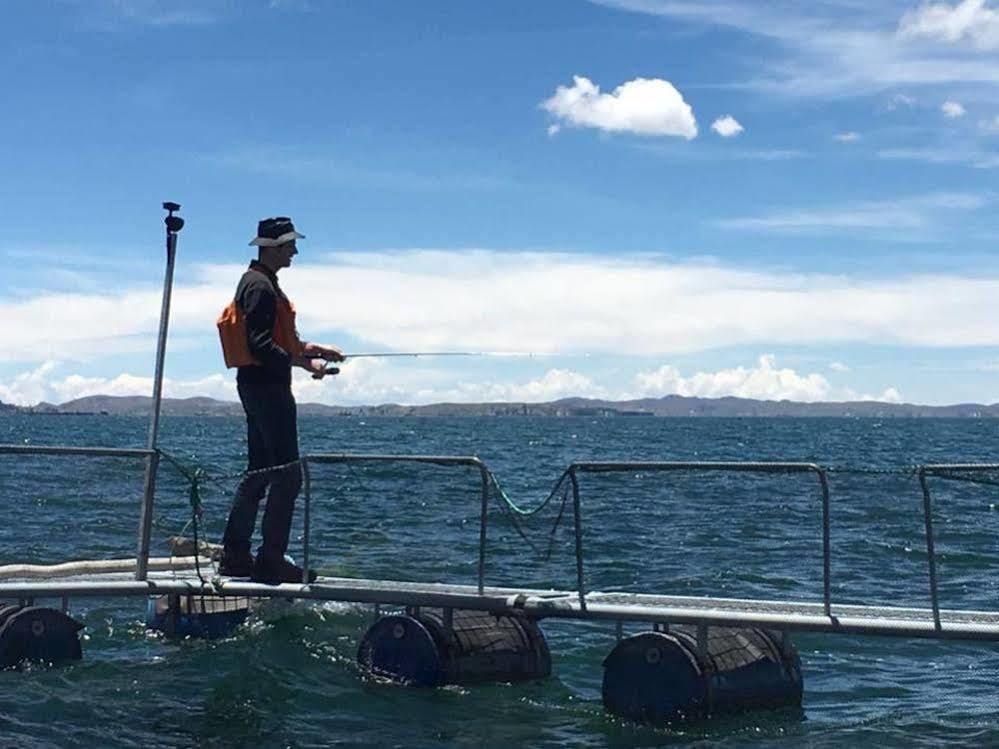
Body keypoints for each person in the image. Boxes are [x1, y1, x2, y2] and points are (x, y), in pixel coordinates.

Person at [216, 216, 345, 583]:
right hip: (268, 390)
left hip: (257, 385)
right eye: (289, 245)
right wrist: (301, 360)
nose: (295, 251)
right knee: (288, 475)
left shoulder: (258, 282)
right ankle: (270, 558)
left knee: (260, 472)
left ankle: (236, 555)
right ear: (272, 247)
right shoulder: (261, 287)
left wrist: (311, 354)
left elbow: (274, 343)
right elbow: (260, 344)